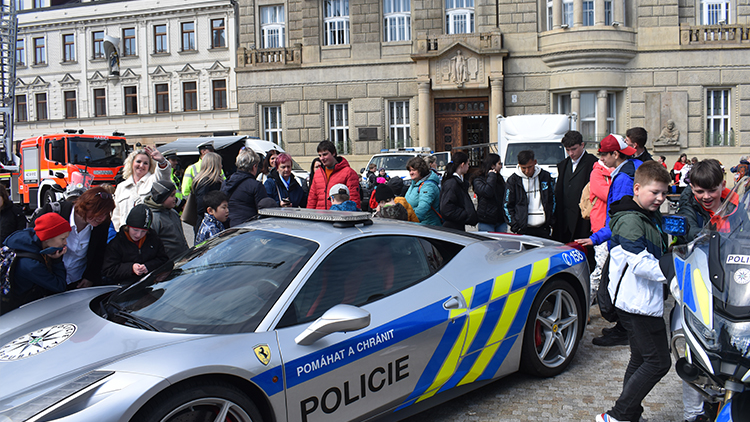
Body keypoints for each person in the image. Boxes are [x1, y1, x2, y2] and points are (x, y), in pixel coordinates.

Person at [595, 161, 671, 422]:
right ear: (637, 188)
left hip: (641, 300)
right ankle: (617, 416)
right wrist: (676, 272)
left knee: (640, 359)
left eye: (664, 193)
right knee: (658, 362)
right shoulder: (630, 220)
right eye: (655, 192)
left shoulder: (647, 214)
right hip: (636, 302)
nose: (660, 198)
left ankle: (629, 415)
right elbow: (640, 264)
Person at [674, 159, 730, 422]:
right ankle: (693, 413)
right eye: (700, 191)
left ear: (723, 185)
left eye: (712, 190)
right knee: (694, 350)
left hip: (732, 284)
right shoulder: (688, 206)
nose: (707, 197)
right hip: (700, 282)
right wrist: (707, 234)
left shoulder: (738, 208)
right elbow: (687, 232)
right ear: (692, 189)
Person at [576, 134, 641, 347]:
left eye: (604, 154)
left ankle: (624, 329)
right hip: (620, 236)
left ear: (615, 154)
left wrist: (595, 238)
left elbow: (617, 217)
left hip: (619, 240)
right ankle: (624, 327)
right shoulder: (632, 169)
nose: (601, 159)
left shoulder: (622, 178)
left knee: (613, 285)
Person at [31, 186, 115, 288]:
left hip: (78, 282)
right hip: (47, 280)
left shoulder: (101, 225)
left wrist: (90, 277)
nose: (102, 218)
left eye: (106, 214)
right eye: (98, 213)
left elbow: (99, 252)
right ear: (85, 206)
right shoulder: (55, 211)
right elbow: (32, 241)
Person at [2, 212, 70, 312]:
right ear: (47, 238)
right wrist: (57, 260)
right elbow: (59, 286)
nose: (65, 243)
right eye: (62, 238)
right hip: (19, 310)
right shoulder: (31, 265)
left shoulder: (24, 240)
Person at [103, 204, 169, 286]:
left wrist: (148, 266)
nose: (138, 235)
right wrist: (131, 268)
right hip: (126, 286)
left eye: (143, 231)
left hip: (151, 283)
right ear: (128, 227)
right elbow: (108, 270)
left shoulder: (153, 239)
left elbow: (164, 260)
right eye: (135, 230)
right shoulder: (116, 243)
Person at [112, 146, 171, 231]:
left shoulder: (153, 180)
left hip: (147, 233)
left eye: (145, 163)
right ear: (131, 163)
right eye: (138, 162)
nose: (141, 165)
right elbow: (116, 215)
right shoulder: (121, 186)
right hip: (124, 235)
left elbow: (164, 176)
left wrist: (162, 161)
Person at [554, 130, 598, 243]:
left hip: (583, 220)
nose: (571, 153)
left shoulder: (593, 163)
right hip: (564, 220)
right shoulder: (563, 165)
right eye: (567, 150)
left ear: (582, 145)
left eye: (574, 149)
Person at [504, 150, 555, 239]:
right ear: (519, 165)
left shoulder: (545, 176)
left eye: (530, 167)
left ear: (535, 162)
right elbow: (507, 205)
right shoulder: (513, 180)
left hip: (543, 228)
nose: (527, 171)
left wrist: (551, 220)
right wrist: (515, 225)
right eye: (524, 168)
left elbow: (553, 199)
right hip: (523, 230)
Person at [588, 157, 614, 304]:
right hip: (601, 225)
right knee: (601, 267)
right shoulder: (597, 173)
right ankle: (587, 302)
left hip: (614, 224)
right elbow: (607, 194)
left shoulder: (618, 171)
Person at [221, 148, 269, 227]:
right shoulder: (256, 186)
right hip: (248, 229)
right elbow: (264, 212)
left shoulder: (226, 182)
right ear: (254, 166)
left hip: (228, 227)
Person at [307, 141, 361, 210]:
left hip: (339, 217)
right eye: (320, 155)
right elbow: (312, 199)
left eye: (325, 154)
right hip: (320, 217)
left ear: (333, 153)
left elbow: (354, 199)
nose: (321, 158)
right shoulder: (318, 173)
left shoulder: (349, 172)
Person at [144, 181, 188, 260]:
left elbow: (182, 237)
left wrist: (187, 253)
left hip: (181, 259)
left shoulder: (173, 212)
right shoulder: (154, 218)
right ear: (161, 197)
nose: (175, 198)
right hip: (166, 263)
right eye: (172, 195)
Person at [440, 152, 478, 231]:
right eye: (468, 164)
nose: (468, 166)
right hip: (452, 227)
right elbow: (447, 208)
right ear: (462, 164)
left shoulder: (460, 182)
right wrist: (466, 214)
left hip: (458, 225)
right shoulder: (452, 183)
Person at [473, 153, 507, 233]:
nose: (501, 166)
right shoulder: (479, 179)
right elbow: (488, 192)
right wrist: (491, 175)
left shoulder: (499, 178)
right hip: (486, 220)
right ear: (492, 165)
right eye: (499, 164)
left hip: (500, 219)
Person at [404, 156, 441, 225]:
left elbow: (423, 208)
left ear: (421, 170)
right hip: (415, 226)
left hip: (427, 228)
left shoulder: (428, 186)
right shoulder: (415, 183)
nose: (411, 173)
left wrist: (408, 221)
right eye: (410, 170)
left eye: (414, 170)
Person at [191, 152, 224, 229]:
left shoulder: (210, 181)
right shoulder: (207, 183)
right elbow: (201, 206)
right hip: (207, 225)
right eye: (220, 164)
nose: (221, 166)